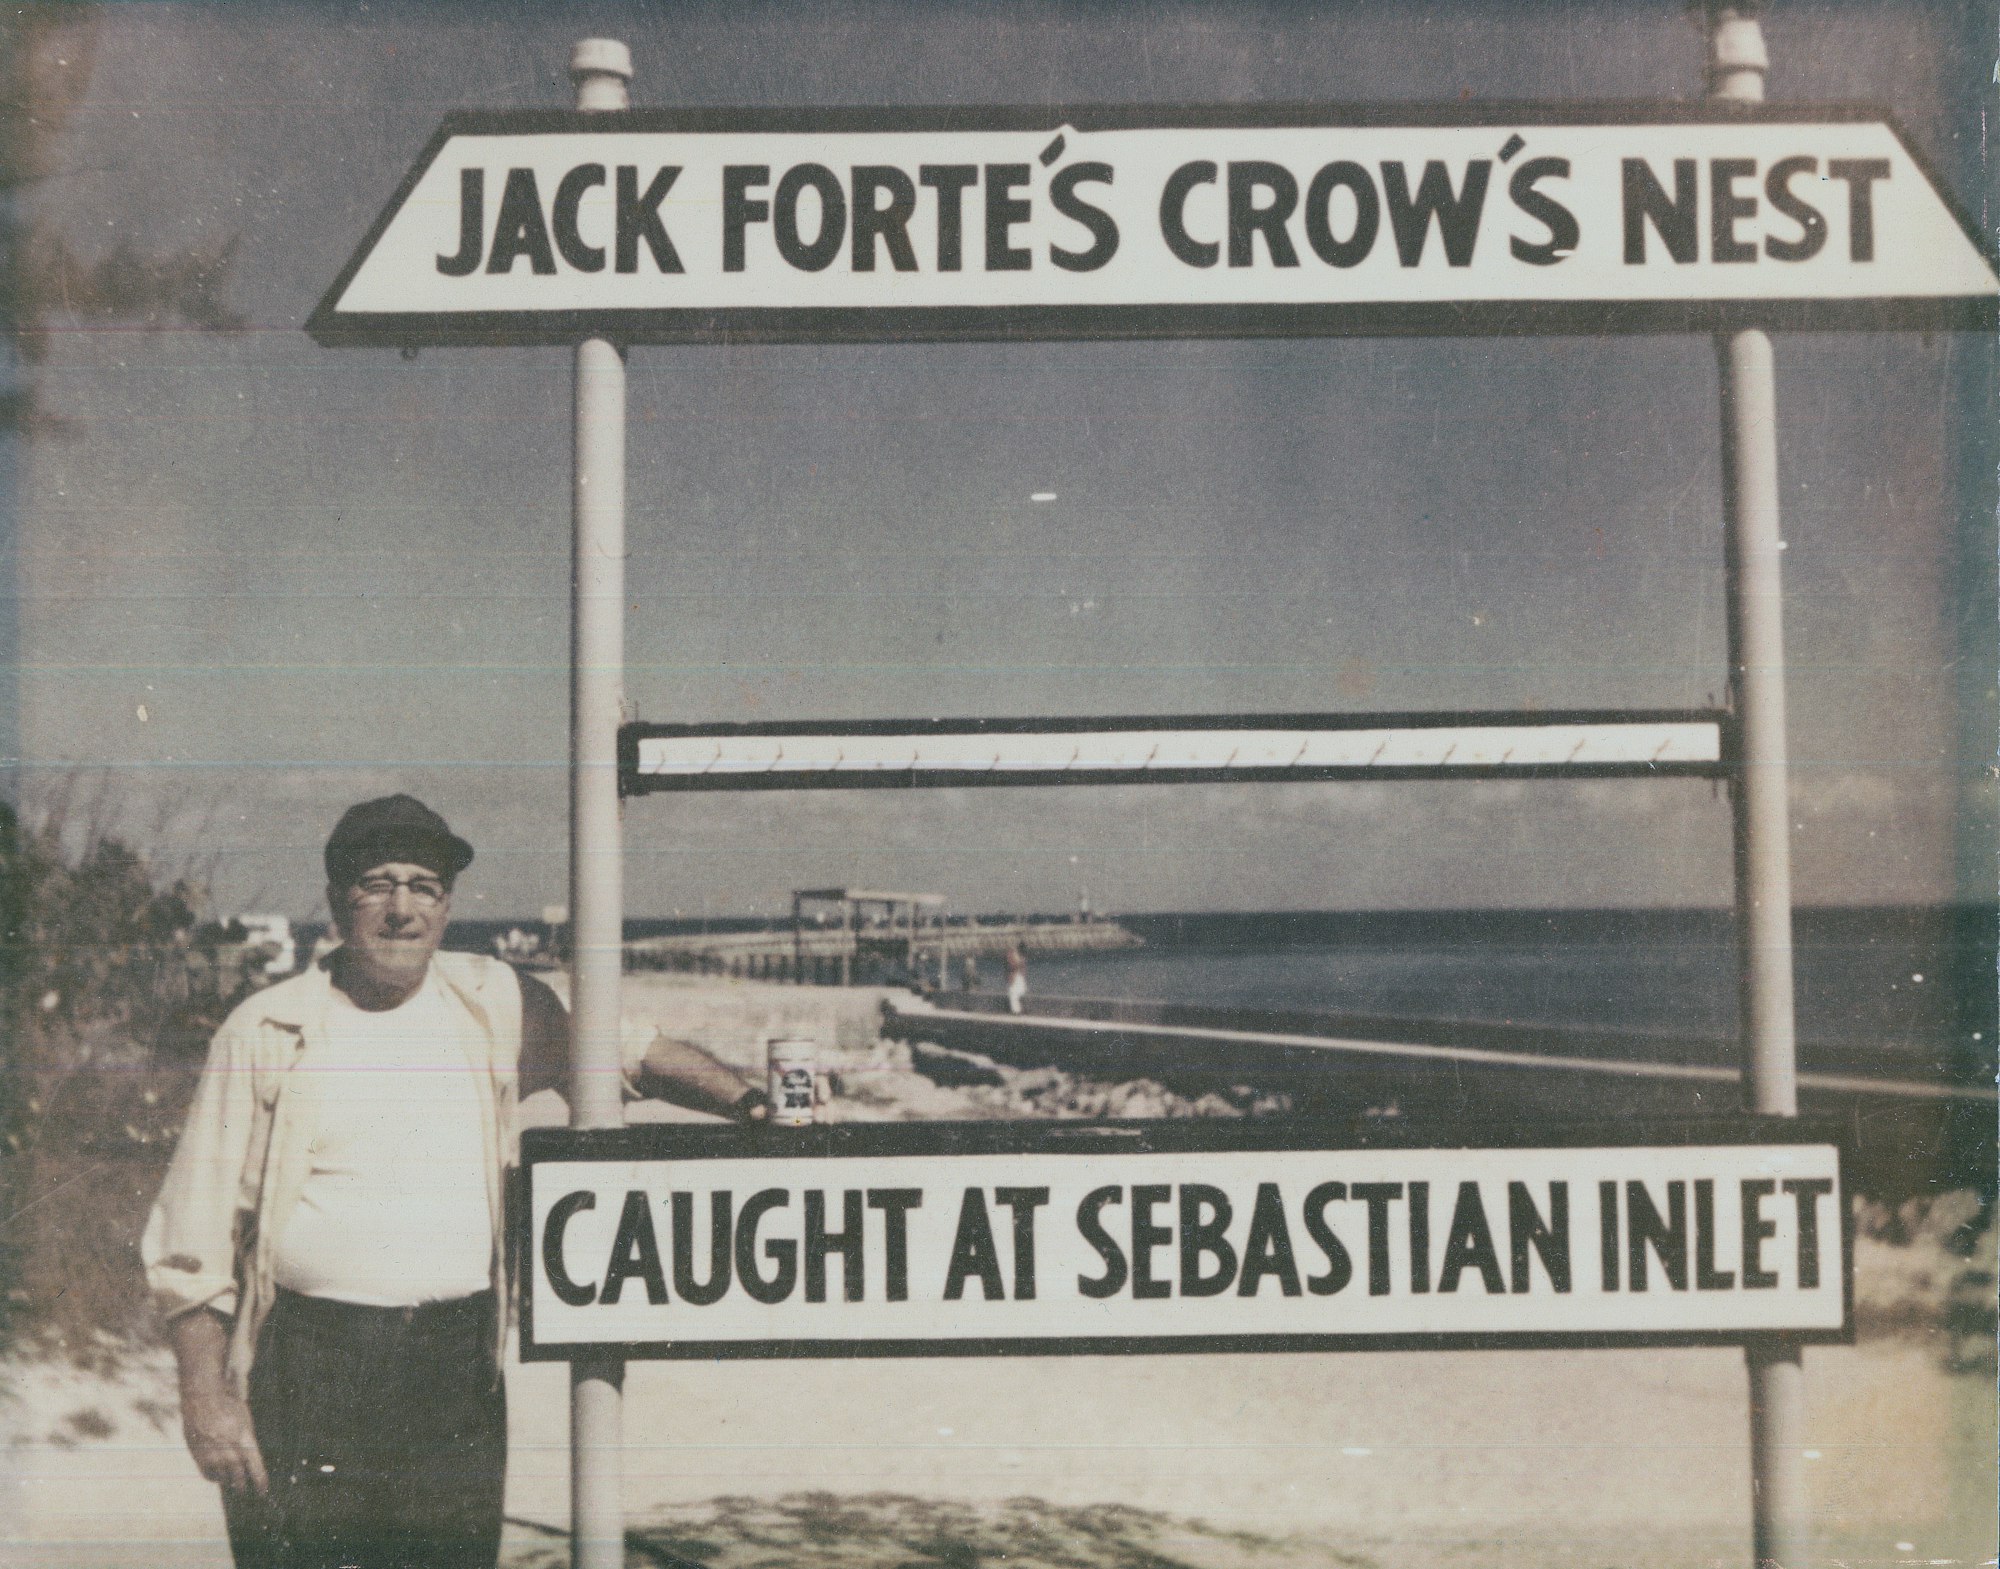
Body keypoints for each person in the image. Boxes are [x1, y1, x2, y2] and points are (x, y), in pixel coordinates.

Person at [142, 794, 764, 1569]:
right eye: (377, 883)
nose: (401, 908)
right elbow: (188, 1245)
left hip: (455, 1368)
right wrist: (206, 1399)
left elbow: (626, 1052)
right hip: (308, 1367)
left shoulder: (492, 1001)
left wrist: (752, 1101)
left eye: (424, 886)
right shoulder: (267, 1027)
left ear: (447, 904)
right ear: (338, 899)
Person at [1005, 944, 1028, 1014]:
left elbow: (1015, 968)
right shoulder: (1019, 959)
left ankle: (1016, 1010)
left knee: (1013, 993)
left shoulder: (1017, 959)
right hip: (1017, 978)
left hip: (1016, 978)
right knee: (1013, 993)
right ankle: (1016, 1010)